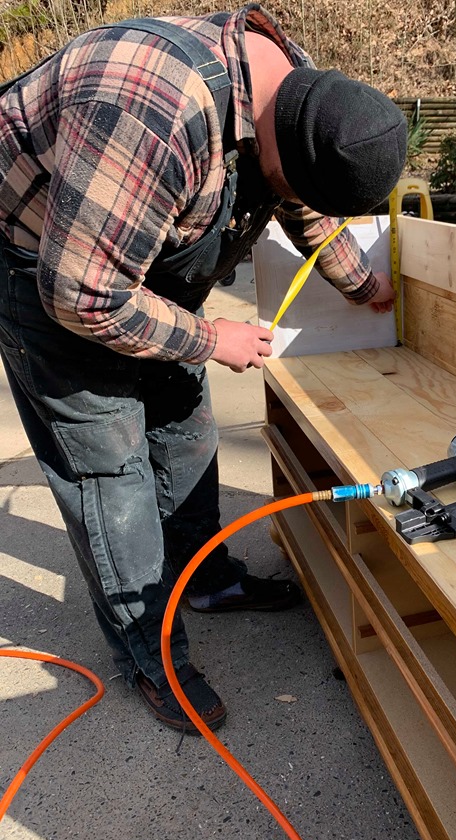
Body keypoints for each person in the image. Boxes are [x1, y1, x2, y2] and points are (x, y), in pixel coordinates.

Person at [0, 5, 407, 733]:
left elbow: (301, 200)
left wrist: (361, 281)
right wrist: (210, 338)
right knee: (110, 466)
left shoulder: (297, 93)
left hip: (126, 241)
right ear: (281, 143)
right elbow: (82, 293)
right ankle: (151, 655)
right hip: (44, 263)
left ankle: (206, 580)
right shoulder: (150, 111)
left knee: (184, 430)